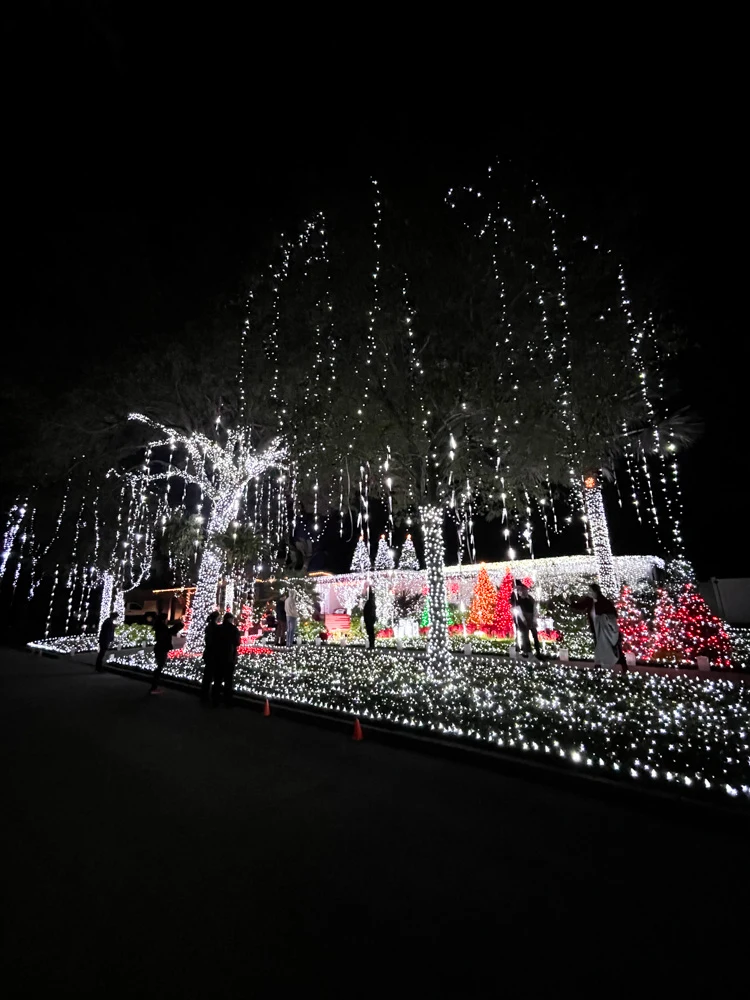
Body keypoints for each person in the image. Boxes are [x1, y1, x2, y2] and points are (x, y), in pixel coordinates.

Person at [570, 583, 625, 667]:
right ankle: (598, 667)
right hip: (596, 629)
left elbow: (612, 614)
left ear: (595, 592)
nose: (588, 592)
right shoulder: (589, 600)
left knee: (613, 647)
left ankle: (622, 665)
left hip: (605, 630)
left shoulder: (604, 601)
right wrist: (571, 603)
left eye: (590, 591)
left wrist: (607, 622)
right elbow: (581, 606)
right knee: (598, 648)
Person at [150, 613, 184, 695]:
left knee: (159, 666)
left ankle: (154, 686)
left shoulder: (159, 626)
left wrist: (177, 627)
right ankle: (154, 687)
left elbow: (168, 632)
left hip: (160, 648)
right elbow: (167, 634)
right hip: (161, 649)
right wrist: (177, 627)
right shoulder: (161, 627)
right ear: (163, 619)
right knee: (159, 667)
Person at [214, 611, 241, 705]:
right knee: (228, 680)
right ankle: (227, 700)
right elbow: (237, 642)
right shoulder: (234, 629)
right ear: (231, 619)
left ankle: (215, 699)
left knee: (218, 679)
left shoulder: (218, 628)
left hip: (218, 656)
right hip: (229, 656)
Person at [511, 580, 541, 658]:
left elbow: (535, 609)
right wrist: (524, 620)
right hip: (523, 620)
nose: (523, 591)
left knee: (535, 635)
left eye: (525, 589)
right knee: (525, 636)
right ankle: (527, 652)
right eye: (522, 590)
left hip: (531, 618)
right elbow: (518, 610)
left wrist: (534, 619)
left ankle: (538, 652)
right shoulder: (518, 599)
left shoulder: (530, 599)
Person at [200, 611, 221, 704]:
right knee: (213, 675)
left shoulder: (209, 627)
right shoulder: (215, 628)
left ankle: (204, 694)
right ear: (216, 618)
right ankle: (211, 696)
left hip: (208, 653)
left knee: (207, 675)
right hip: (213, 654)